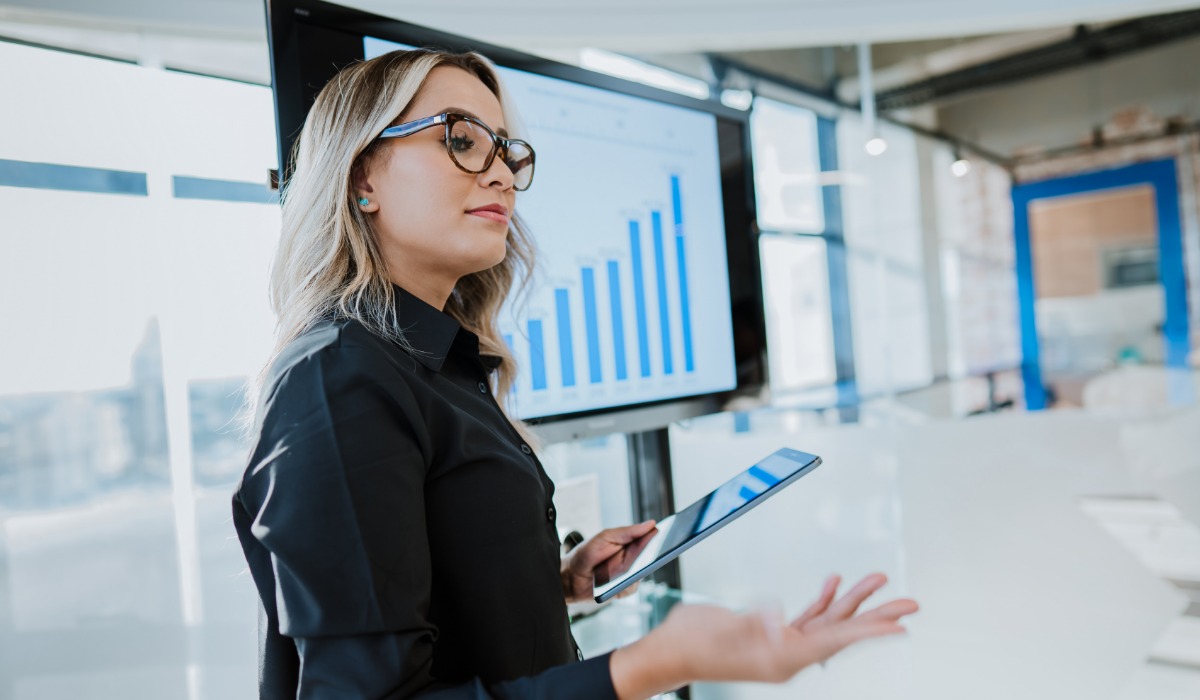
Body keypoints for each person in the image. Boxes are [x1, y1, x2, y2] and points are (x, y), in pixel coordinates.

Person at [232, 48, 919, 700]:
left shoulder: (438, 364)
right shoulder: (340, 381)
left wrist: (550, 580)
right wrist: (660, 662)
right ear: (361, 177)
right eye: (463, 140)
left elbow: (415, 589)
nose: (501, 173)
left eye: (506, 151)